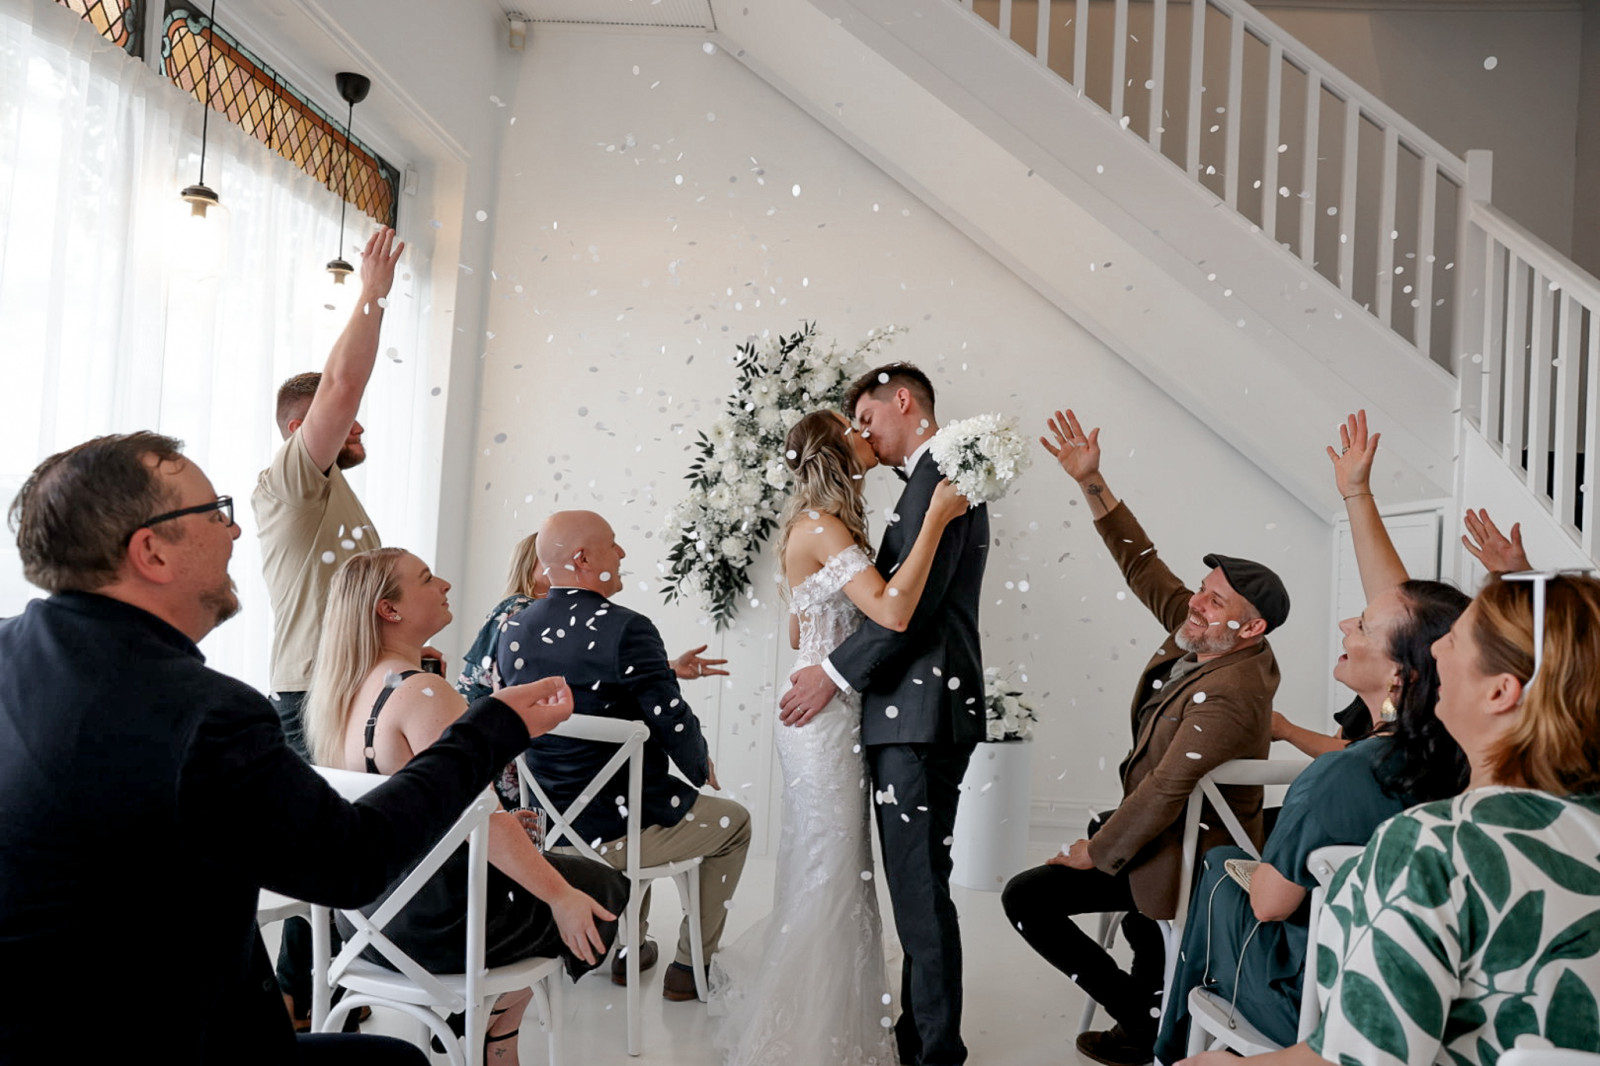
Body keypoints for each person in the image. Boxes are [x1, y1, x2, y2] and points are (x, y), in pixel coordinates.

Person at [0, 432, 578, 1065]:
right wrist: (490, 730)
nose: (234, 532)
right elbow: (352, 864)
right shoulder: (205, 714)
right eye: (214, 513)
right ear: (152, 552)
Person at [1180, 571, 1600, 1066]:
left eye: (1456, 641)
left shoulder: (1431, 847)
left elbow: (1366, 1058)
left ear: (1500, 692)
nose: (1435, 652)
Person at [1153, 412, 1471, 1062]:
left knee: (1218, 866)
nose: (1347, 624)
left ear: (1403, 673)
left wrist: (1252, 869)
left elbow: (1270, 905)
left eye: (1363, 627)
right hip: (1421, 986)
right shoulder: (1466, 754)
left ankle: (1171, 1046)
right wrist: (1356, 495)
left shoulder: (1342, 774)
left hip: (1320, 997)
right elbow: (1412, 621)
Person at [1003, 407, 1288, 1066]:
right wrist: (1091, 482)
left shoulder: (1233, 691)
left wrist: (1098, 851)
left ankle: (1147, 1020)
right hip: (1161, 830)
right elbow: (1144, 566)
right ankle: (1150, 1012)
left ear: (1251, 628)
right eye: (1204, 590)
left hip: (1184, 854)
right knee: (1119, 896)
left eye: (1215, 600)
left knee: (1027, 899)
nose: (1196, 603)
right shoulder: (1205, 636)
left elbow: (1166, 787)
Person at [708, 410, 970, 1065]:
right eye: (853, 428)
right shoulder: (824, 527)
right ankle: (805, 1031)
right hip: (823, 721)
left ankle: (832, 1016)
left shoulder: (818, 526)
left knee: (832, 868)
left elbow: (801, 629)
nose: (864, 432)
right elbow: (895, 611)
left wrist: (831, 643)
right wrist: (936, 520)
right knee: (830, 871)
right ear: (835, 452)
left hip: (830, 711)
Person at [304, 548, 630, 1065]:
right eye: (426, 579)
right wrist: (560, 895)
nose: (445, 584)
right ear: (390, 609)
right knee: (602, 886)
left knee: (560, 876)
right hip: (437, 925)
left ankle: (488, 1032)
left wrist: (499, 827)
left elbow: (424, 811)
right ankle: (494, 1025)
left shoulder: (346, 689)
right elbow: (487, 821)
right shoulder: (424, 693)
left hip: (367, 920)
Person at [778, 363, 991, 1066]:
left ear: (903, 400)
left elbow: (908, 612)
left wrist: (833, 672)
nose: (864, 434)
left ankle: (935, 1052)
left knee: (916, 891)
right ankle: (914, 1036)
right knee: (903, 885)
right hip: (901, 712)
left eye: (867, 417)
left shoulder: (941, 476)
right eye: (853, 429)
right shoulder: (924, 483)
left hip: (918, 715)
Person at [499, 510, 751, 1002]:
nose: (622, 553)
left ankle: (628, 949)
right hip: (616, 832)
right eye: (612, 544)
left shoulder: (514, 630)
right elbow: (671, 719)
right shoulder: (627, 629)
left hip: (547, 828)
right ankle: (690, 966)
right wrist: (699, 765)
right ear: (582, 558)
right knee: (731, 823)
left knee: (635, 792)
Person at [252, 226, 404, 1027]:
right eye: (346, 422)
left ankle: (323, 994)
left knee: (351, 851)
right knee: (323, 855)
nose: (359, 428)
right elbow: (342, 382)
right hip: (313, 696)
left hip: (350, 690)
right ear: (300, 429)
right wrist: (372, 293)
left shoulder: (338, 496)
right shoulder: (290, 485)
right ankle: (297, 1004)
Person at [458, 532, 729, 806]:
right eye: (548, 558)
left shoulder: (540, 619)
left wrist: (667, 667)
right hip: (518, 766)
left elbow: (575, 670)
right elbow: (477, 689)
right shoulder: (520, 613)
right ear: (530, 565)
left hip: (534, 771)